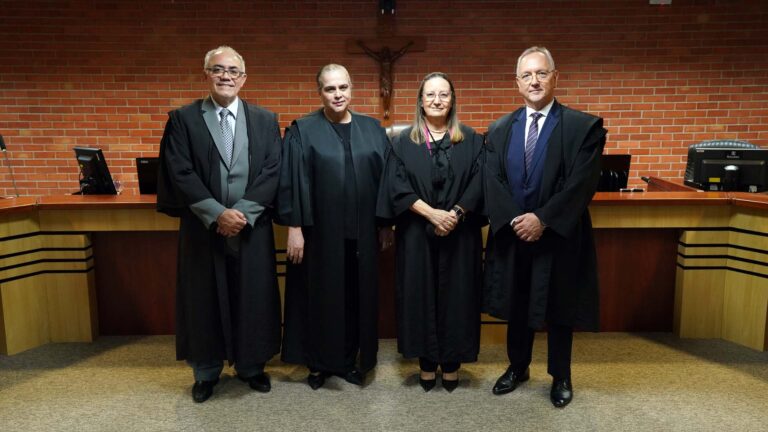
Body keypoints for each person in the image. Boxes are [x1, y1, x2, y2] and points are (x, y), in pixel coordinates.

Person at [156, 46, 282, 403]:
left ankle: (251, 366)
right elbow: (180, 170)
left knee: (252, 296)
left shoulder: (264, 120)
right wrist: (216, 213)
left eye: (233, 71)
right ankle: (206, 371)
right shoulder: (183, 119)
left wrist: (242, 213)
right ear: (206, 74)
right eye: (218, 70)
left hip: (251, 226)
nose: (226, 76)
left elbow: (274, 169)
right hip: (202, 229)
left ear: (244, 78)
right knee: (203, 299)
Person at [483, 46, 607, 407]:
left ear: (556, 77)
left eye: (541, 73)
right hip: (514, 234)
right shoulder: (500, 128)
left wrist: (544, 219)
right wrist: (515, 220)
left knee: (559, 307)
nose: (534, 81)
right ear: (517, 82)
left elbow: (582, 183)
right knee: (518, 302)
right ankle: (517, 367)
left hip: (558, 236)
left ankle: (561, 376)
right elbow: (492, 179)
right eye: (527, 75)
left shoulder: (583, 127)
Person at [277, 64, 391, 389]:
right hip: (320, 234)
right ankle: (319, 363)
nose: (338, 94)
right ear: (320, 92)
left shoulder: (372, 129)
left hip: (363, 234)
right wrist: (294, 227)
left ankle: (351, 360)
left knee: (357, 298)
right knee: (321, 297)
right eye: (330, 89)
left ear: (351, 88)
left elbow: (385, 181)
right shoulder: (303, 130)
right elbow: (292, 181)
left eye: (343, 87)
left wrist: (385, 225)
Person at [377, 72, 484, 392]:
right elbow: (395, 186)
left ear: (453, 100)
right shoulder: (402, 142)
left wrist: (455, 213)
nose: (437, 100)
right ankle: (425, 363)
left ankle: (452, 363)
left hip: (460, 234)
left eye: (444, 95)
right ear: (420, 101)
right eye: (430, 95)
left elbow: (481, 183)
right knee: (418, 296)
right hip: (416, 234)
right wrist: (431, 213)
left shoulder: (472, 140)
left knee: (458, 297)